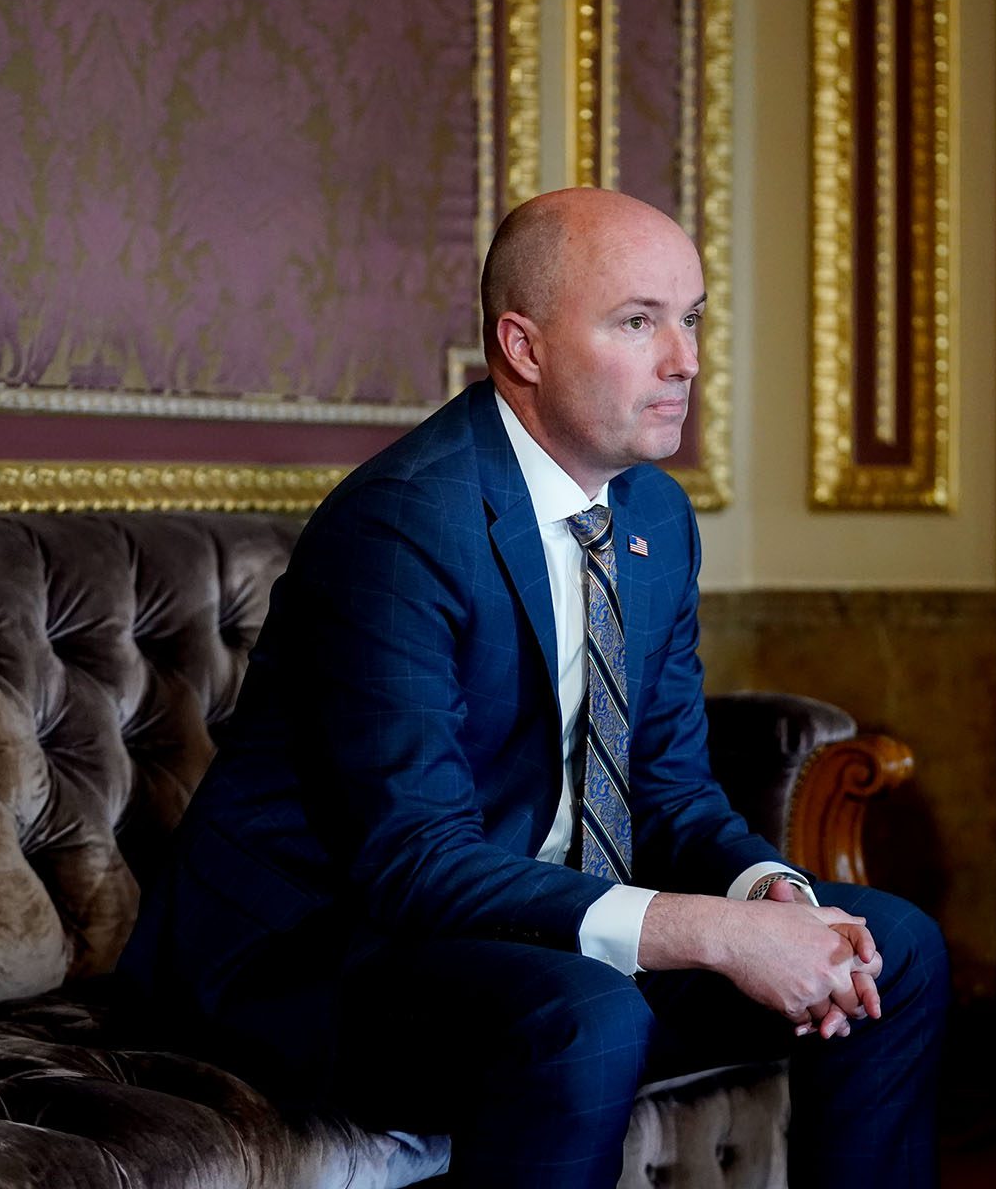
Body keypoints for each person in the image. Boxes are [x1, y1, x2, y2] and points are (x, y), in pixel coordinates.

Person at [119, 187, 948, 1186]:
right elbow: (413, 863)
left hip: (527, 934)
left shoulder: (652, 516)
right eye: (639, 323)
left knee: (887, 949)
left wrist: (769, 895)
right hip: (318, 960)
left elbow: (673, 793)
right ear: (524, 346)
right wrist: (717, 934)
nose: (685, 360)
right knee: (586, 1017)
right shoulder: (402, 526)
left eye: (690, 320)